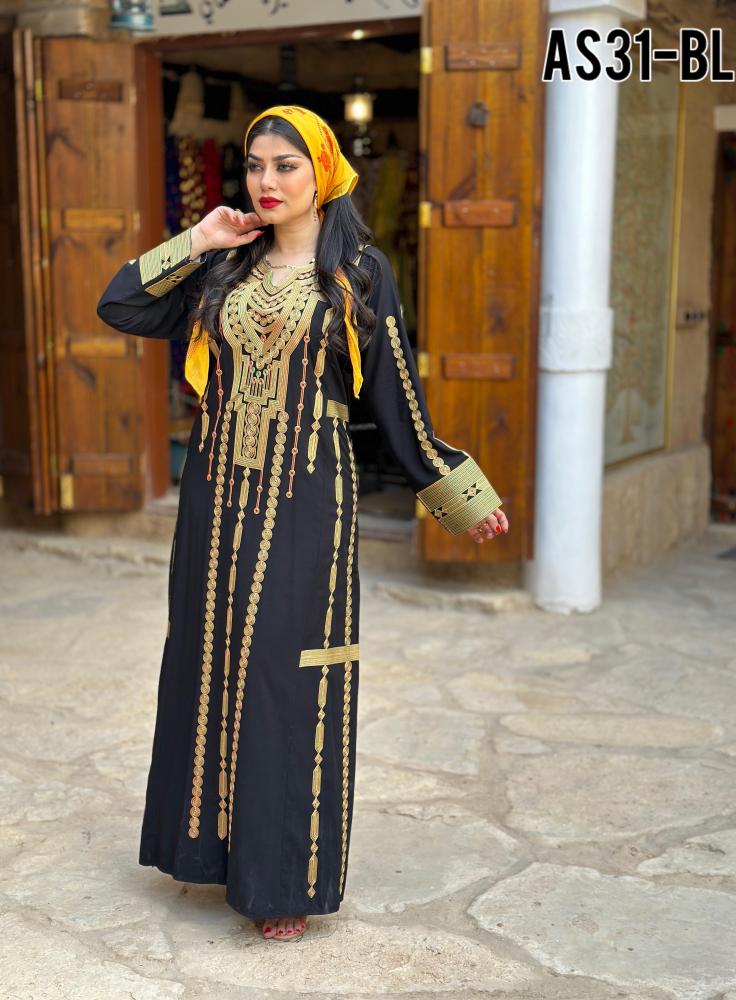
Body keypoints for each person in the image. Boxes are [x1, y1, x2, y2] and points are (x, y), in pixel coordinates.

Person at [96, 105, 508, 943]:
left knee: (288, 676)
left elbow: (395, 393)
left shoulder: (358, 271)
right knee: (208, 660)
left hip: (306, 495)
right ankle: (211, 854)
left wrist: (455, 491)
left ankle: (284, 879)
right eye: (255, 165)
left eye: (286, 165)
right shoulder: (224, 268)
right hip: (215, 496)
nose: (267, 180)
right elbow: (120, 305)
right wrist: (201, 238)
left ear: (323, 174)